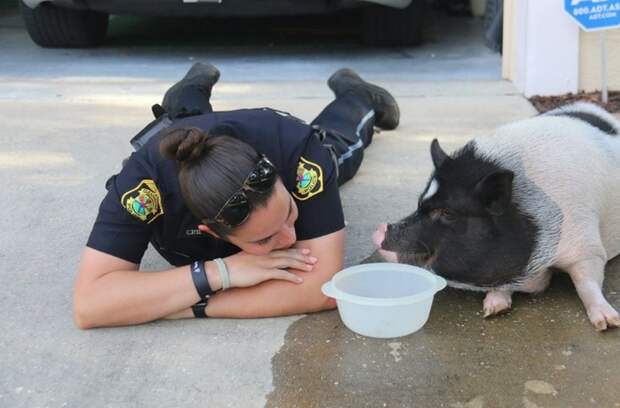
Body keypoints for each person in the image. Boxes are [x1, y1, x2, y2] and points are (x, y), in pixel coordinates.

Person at [73, 63, 400, 329]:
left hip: (259, 136)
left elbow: (323, 289)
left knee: (339, 151)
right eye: (264, 239)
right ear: (211, 232)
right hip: (183, 144)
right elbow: (91, 305)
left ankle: (359, 96)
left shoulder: (295, 153)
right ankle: (187, 93)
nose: (289, 240)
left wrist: (191, 305)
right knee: (183, 127)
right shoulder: (146, 186)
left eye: (288, 213)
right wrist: (219, 273)